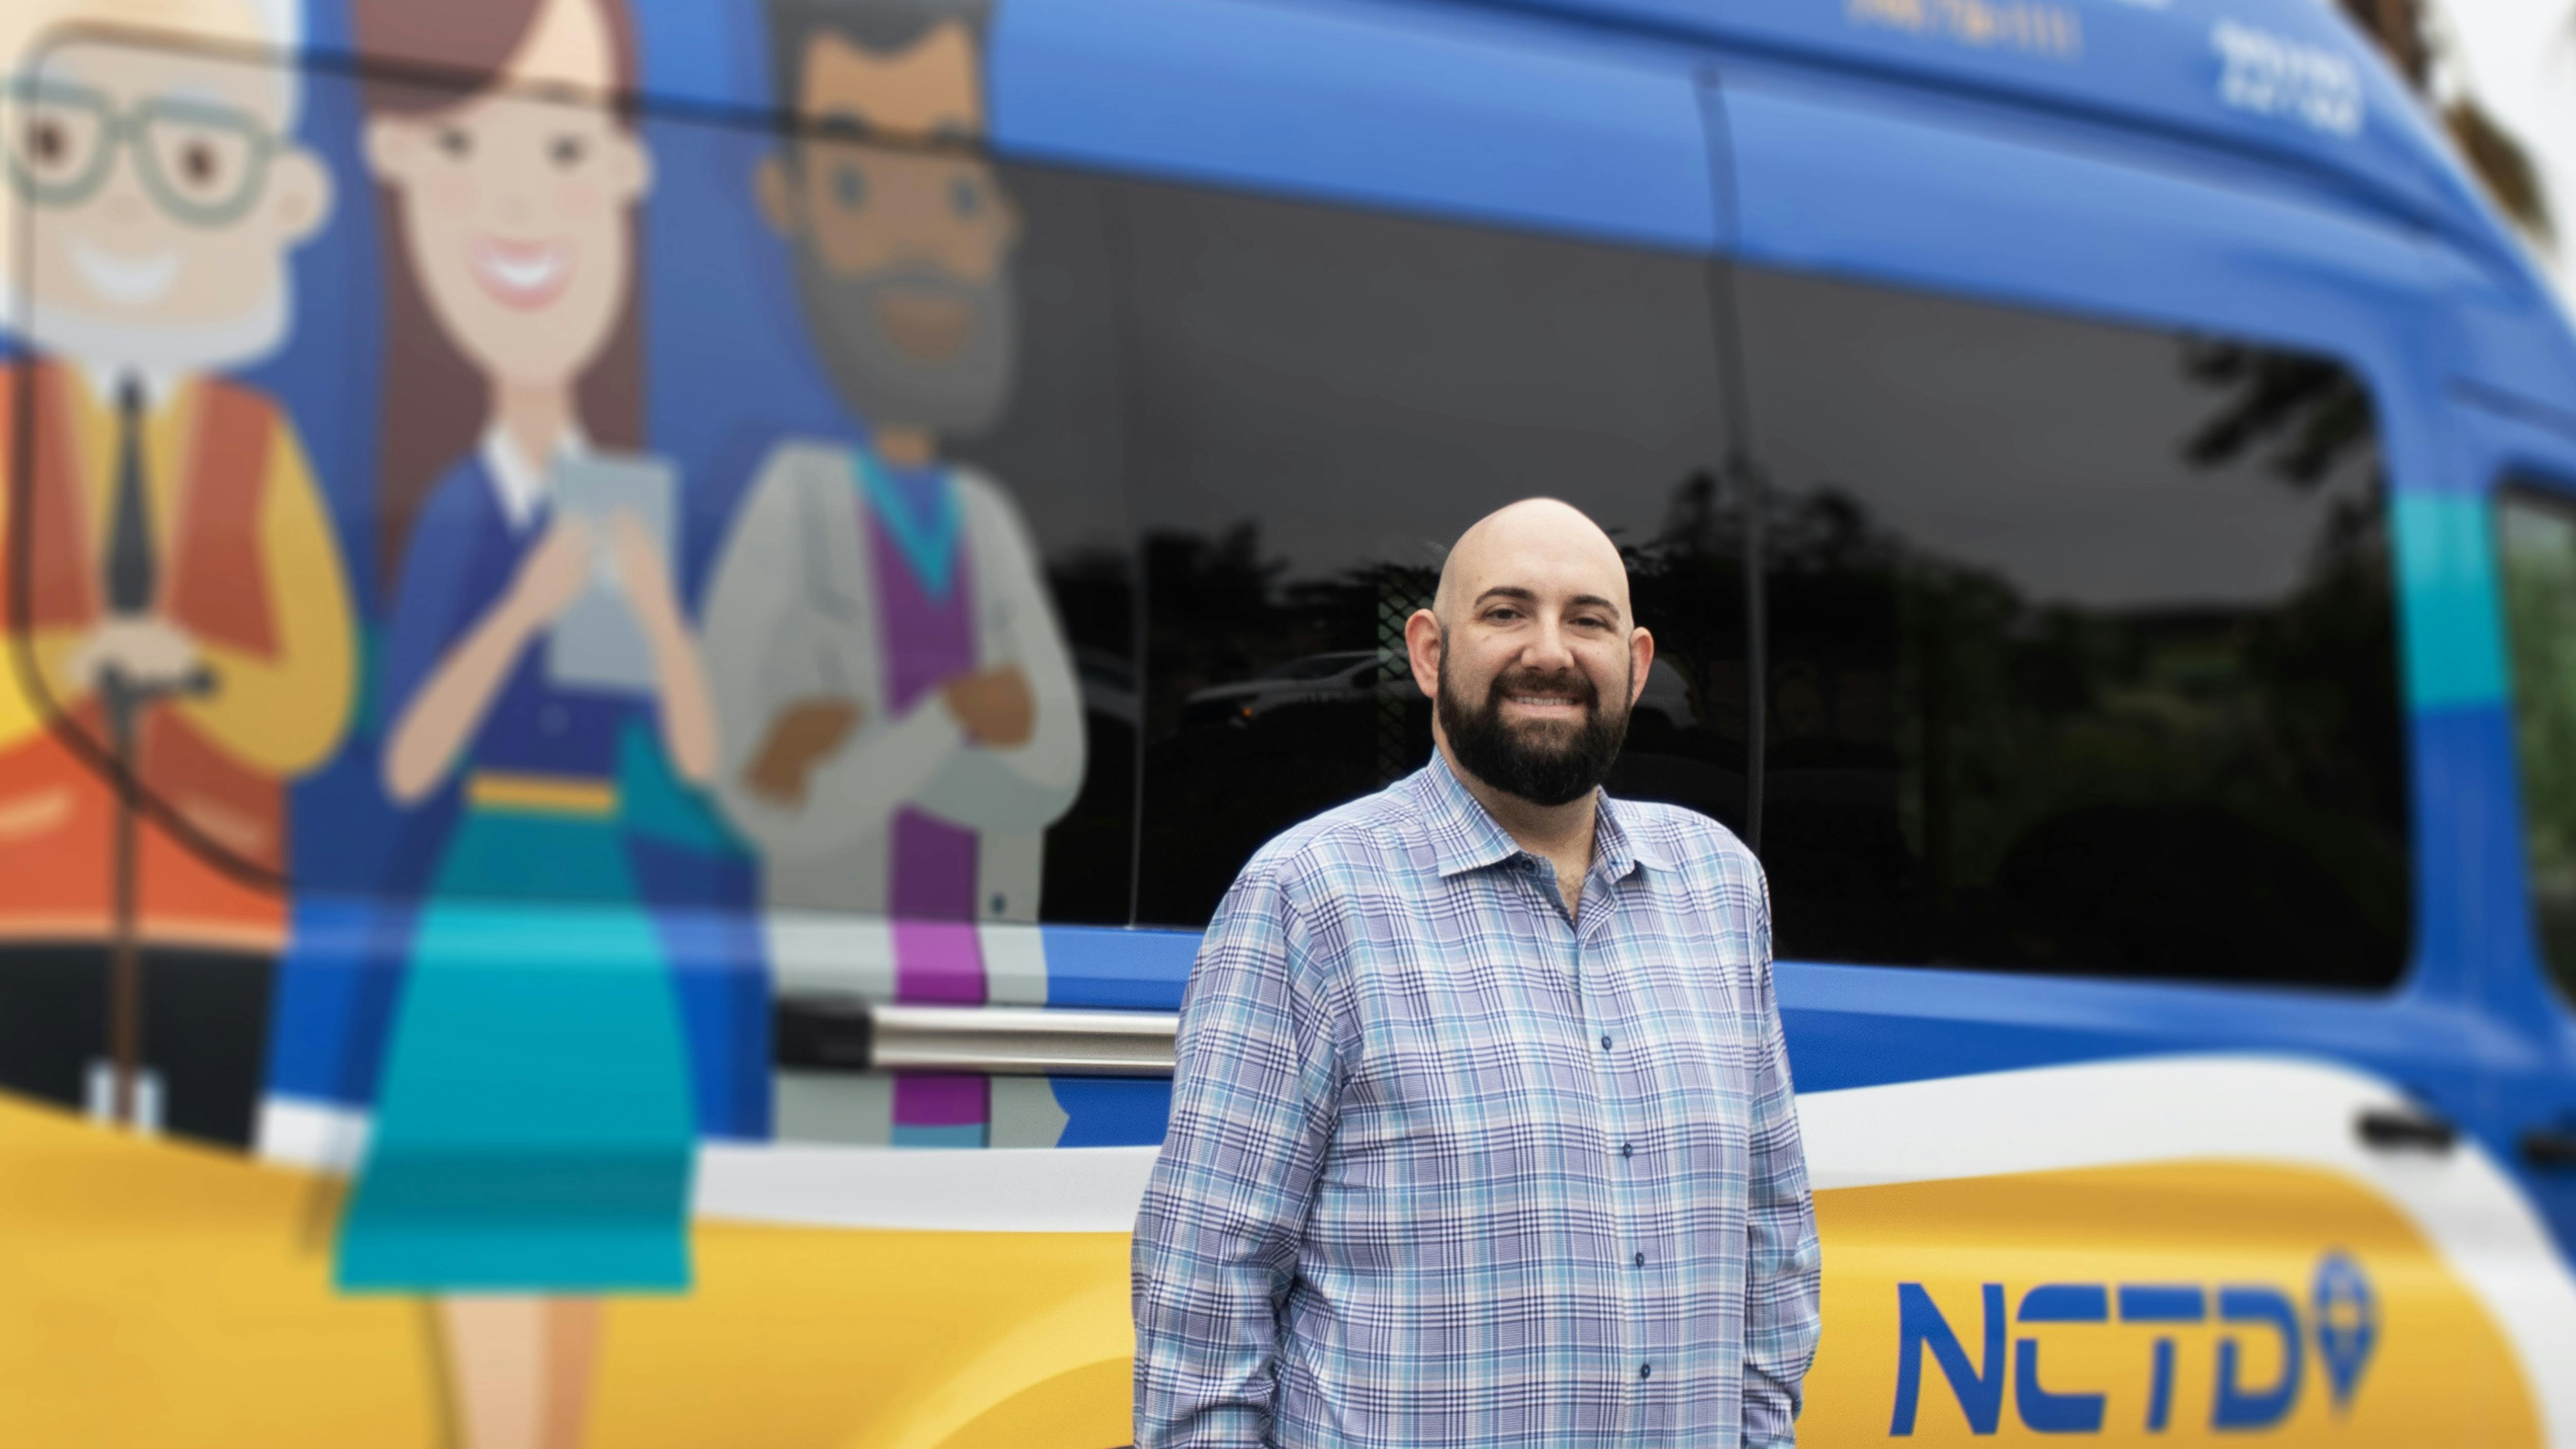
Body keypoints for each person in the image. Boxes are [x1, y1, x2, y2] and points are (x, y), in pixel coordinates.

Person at [1132, 498, 1823, 1448]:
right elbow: (1204, 1291)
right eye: (1506, 613)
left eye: (1588, 619)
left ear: (1635, 664)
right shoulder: (1309, 897)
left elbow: (1773, 1238)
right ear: (1427, 652)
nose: (1550, 651)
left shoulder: (1719, 887)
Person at [331, 1, 714, 1446]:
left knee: (590, 1268)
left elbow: (690, 757)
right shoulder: (458, 508)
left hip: (604, 915)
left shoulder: (633, 505)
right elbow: (412, 753)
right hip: (486, 901)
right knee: (488, 1255)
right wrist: (522, 604)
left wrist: (648, 610)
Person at [702, 0, 1083, 1148]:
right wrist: (949, 721)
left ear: (996, 220)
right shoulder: (788, 507)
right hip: (842, 1037)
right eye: (864, 186)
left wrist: (866, 744)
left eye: (953, 188)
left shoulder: (985, 524)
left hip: (992, 1039)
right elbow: (762, 800)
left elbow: (1048, 767)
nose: (920, 236)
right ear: (790, 204)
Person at [0, 0, 355, 1149]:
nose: (122, 197)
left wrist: (196, 671)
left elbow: (316, 703)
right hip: (26, 899)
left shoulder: (263, 443)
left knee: (215, 1195)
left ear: (280, 198)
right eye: (60, 147)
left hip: (220, 907)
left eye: (194, 160)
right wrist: (70, 661)